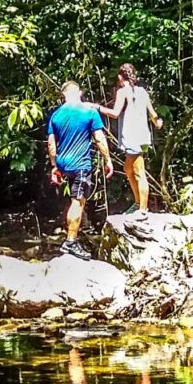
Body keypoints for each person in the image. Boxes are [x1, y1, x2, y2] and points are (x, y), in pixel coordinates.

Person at [45, 81, 111, 255]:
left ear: (64, 95)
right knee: (78, 201)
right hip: (80, 164)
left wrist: (54, 167)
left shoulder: (56, 115)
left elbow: (51, 144)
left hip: (63, 164)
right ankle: (70, 242)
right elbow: (99, 139)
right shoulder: (88, 111)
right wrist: (108, 160)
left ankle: (71, 238)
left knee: (75, 200)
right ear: (79, 92)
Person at [99, 63, 163, 214]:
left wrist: (97, 107)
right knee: (128, 168)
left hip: (133, 136)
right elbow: (153, 114)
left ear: (121, 77)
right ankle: (138, 203)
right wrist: (157, 123)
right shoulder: (142, 92)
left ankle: (142, 208)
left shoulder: (123, 92)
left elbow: (115, 113)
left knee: (139, 171)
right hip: (142, 136)